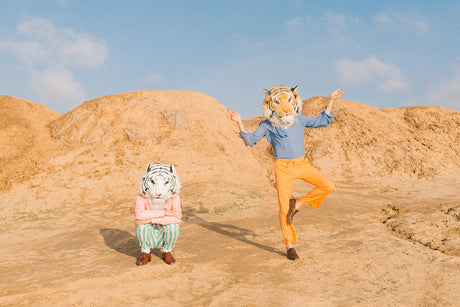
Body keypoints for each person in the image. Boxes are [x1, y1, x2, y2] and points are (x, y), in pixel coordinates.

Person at [228, 86, 346, 260]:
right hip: (282, 167)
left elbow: (322, 121)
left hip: (301, 164)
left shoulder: (299, 119)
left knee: (327, 185)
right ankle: (289, 246)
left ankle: (297, 205)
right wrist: (239, 122)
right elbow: (250, 140)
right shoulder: (267, 125)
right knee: (283, 208)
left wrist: (331, 100)